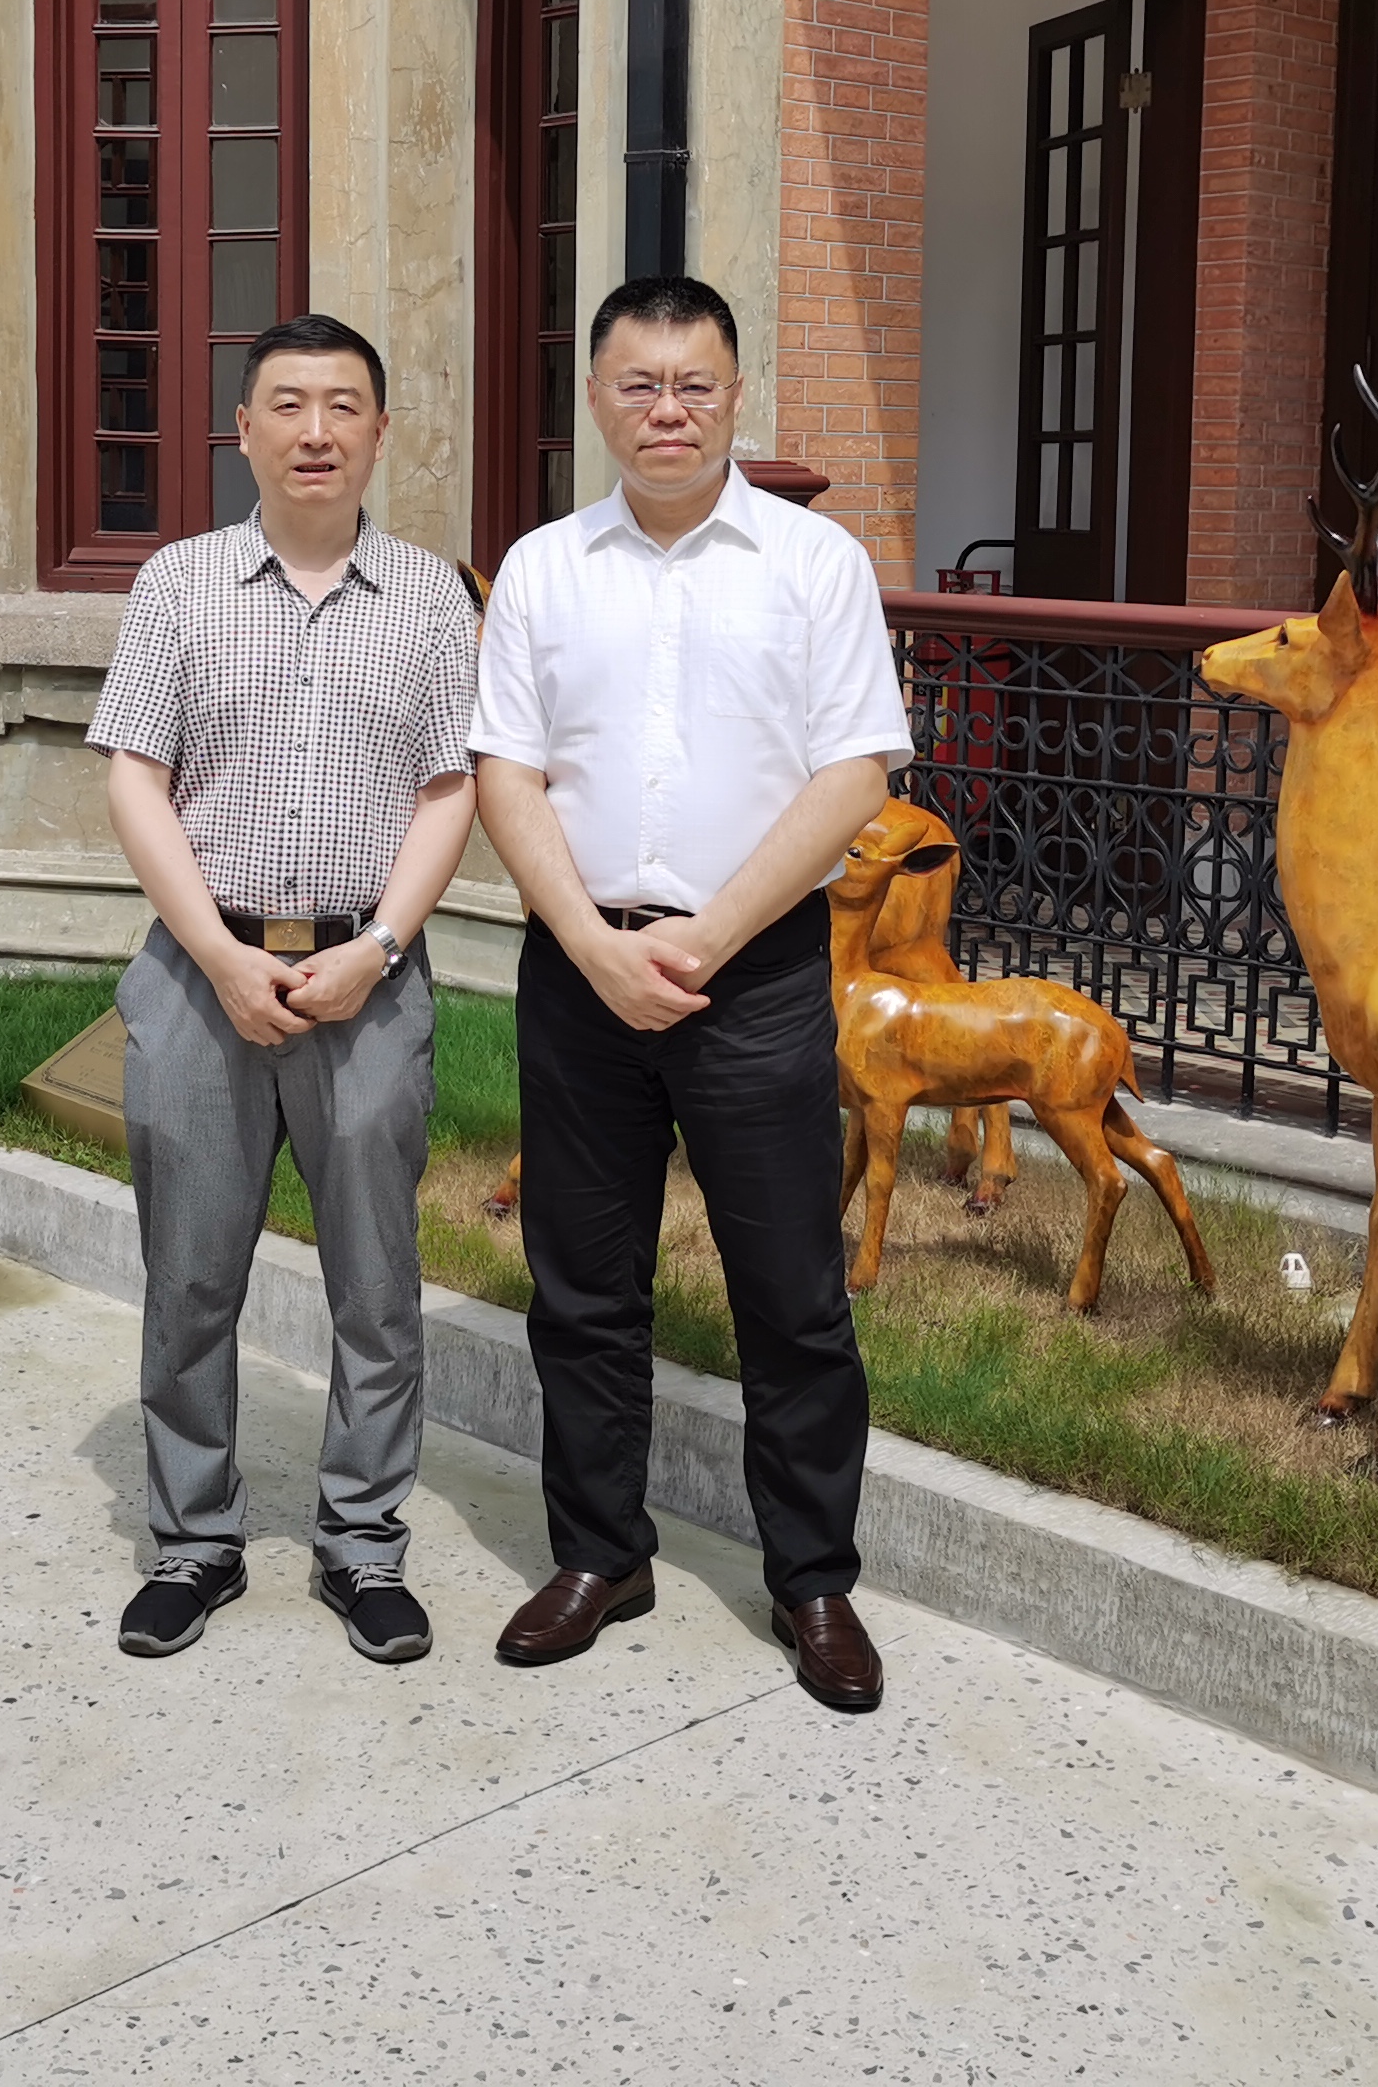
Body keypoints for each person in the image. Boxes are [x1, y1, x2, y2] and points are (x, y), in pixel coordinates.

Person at [468, 275, 910, 1713]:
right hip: (578, 968)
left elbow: (856, 771)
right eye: (640, 384)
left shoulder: (815, 564)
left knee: (792, 1294)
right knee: (583, 1288)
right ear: (597, 397)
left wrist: (707, 941)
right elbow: (505, 770)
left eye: (695, 385)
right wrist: (594, 947)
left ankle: (814, 1579)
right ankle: (602, 1555)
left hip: (757, 972)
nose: (669, 409)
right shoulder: (544, 568)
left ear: (735, 395)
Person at [86, 314, 481, 1667]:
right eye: (289, 404)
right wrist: (216, 953)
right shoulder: (179, 586)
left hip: (368, 975)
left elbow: (449, 787)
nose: (318, 431)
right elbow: (135, 776)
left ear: (381, 431)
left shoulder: (431, 598)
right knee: (190, 1278)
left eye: (344, 405)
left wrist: (382, 945)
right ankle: (194, 1542)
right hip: (202, 976)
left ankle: (362, 1544)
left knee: (376, 1284)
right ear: (243, 430)